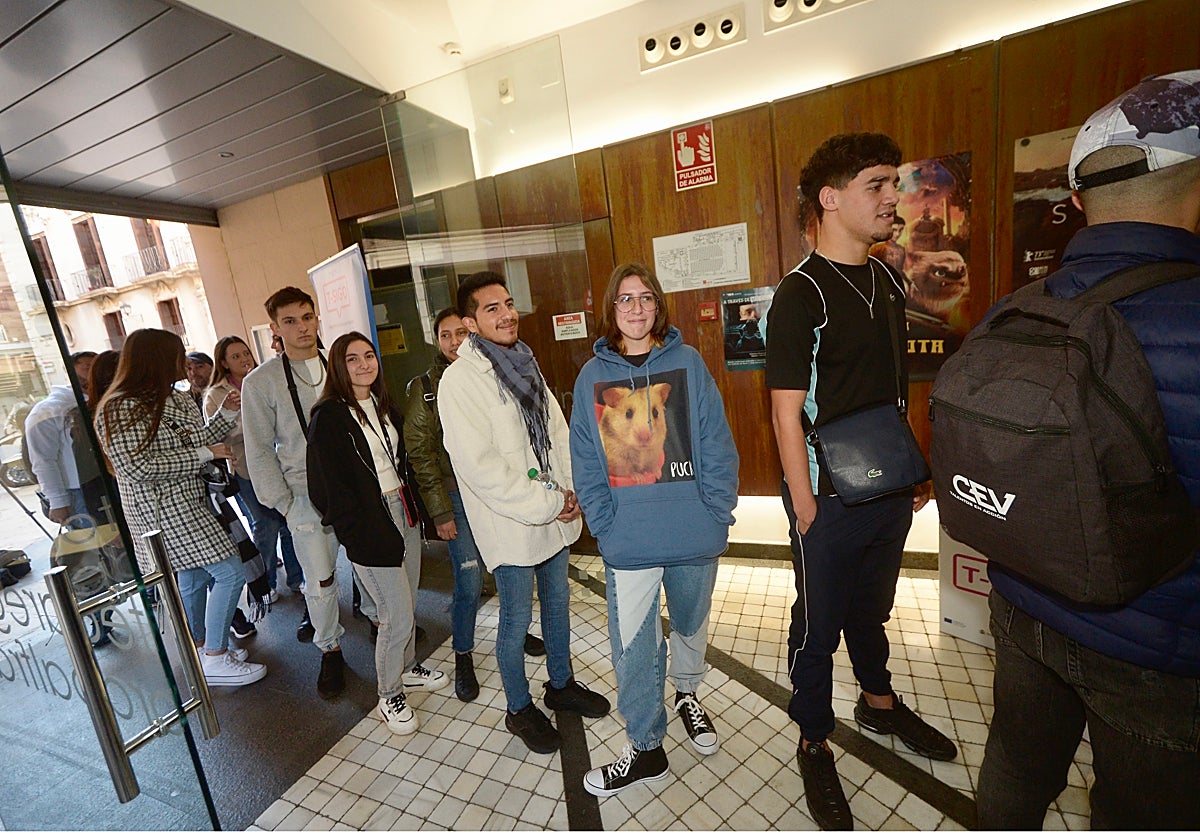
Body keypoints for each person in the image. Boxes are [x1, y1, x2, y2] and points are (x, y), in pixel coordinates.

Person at [975, 70, 1200, 831]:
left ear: (1077, 203)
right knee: (1140, 812)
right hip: (1157, 645)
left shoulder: (1012, 311)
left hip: (1025, 603)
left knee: (1012, 766)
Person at [765, 132, 955, 830]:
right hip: (828, 496)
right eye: (876, 185)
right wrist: (806, 505)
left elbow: (895, 389)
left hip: (889, 484)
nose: (890, 198)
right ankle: (814, 737)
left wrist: (913, 469)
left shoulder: (884, 278)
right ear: (830, 198)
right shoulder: (800, 293)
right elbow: (785, 411)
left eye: (892, 184)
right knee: (817, 626)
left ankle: (877, 706)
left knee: (871, 610)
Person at [570, 263, 739, 796]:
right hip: (630, 543)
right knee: (634, 649)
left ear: (658, 306)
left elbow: (715, 441)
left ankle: (688, 695)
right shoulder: (591, 378)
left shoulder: (686, 363)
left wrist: (717, 512)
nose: (636, 309)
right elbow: (585, 459)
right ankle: (646, 747)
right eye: (625, 300)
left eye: (645, 298)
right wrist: (605, 526)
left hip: (694, 535)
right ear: (611, 309)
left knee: (689, 625)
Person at [439, 271, 610, 754]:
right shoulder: (460, 381)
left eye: (509, 304)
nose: (507, 314)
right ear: (470, 323)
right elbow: (479, 466)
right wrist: (547, 501)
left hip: (552, 510)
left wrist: (569, 489)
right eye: (492, 308)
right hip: (511, 519)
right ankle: (518, 708)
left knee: (558, 603)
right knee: (515, 618)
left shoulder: (522, 361)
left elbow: (555, 431)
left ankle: (561, 684)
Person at [94, 329, 266, 687]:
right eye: (178, 356)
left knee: (194, 577)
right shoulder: (118, 406)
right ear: (155, 360)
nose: (186, 364)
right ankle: (215, 655)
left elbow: (196, 437)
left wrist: (223, 415)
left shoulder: (172, 397)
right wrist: (205, 455)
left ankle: (203, 649)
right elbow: (138, 467)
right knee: (230, 572)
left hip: (190, 501)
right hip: (161, 513)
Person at [307, 331, 449, 735]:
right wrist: (354, 530)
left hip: (401, 510)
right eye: (352, 359)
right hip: (369, 521)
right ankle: (389, 695)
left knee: (408, 599)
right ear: (337, 366)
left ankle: (407, 668)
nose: (364, 364)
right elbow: (324, 488)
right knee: (395, 616)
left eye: (369, 356)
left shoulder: (383, 405)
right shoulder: (330, 417)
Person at [404, 307, 546, 703]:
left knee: (511, 566)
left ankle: (517, 631)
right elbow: (421, 454)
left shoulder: (494, 371)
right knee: (468, 580)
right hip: (457, 498)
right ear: (436, 340)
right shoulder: (427, 387)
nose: (454, 342)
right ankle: (462, 654)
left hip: (497, 492)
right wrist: (441, 513)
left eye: (460, 334)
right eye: (445, 335)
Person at [242, 287, 358, 698]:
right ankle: (330, 649)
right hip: (304, 496)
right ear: (275, 328)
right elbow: (257, 449)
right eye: (290, 321)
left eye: (307, 317)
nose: (302, 327)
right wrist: (286, 504)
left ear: (317, 318)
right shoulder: (261, 382)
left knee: (372, 567)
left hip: (357, 490)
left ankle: (386, 627)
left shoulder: (341, 364)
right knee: (320, 581)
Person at [204, 336, 304, 603]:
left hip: (280, 461)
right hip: (245, 468)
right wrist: (249, 422)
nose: (244, 359)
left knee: (288, 521)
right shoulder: (216, 395)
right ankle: (264, 583)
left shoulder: (263, 380)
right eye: (235, 356)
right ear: (223, 362)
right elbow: (218, 436)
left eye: (245, 353)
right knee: (265, 524)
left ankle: (296, 577)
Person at [26, 350, 97, 525]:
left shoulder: (101, 402)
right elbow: (43, 460)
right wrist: (58, 501)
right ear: (71, 372)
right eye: (87, 367)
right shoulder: (48, 411)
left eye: (97, 366)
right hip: (78, 491)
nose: (93, 372)